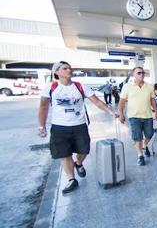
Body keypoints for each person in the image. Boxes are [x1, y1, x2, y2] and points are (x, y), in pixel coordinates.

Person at [37, 61, 117, 194]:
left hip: (79, 125)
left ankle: (78, 163)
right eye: (65, 68)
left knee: (84, 150)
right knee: (64, 153)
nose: (69, 70)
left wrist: (111, 112)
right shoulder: (50, 88)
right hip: (59, 127)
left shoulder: (80, 86)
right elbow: (43, 108)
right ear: (57, 72)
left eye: (69, 68)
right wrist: (41, 126)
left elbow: (97, 102)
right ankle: (71, 179)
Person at [118, 67, 157, 166]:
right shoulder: (127, 87)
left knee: (149, 134)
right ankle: (140, 155)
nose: (141, 74)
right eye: (139, 73)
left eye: (143, 73)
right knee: (137, 137)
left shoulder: (149, 86)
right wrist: (121, 114)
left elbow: (152, 100)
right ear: (134, 75)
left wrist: (156, 112)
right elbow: (122, 102)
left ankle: (145, 146)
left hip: (148, 115)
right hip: (133, 116)